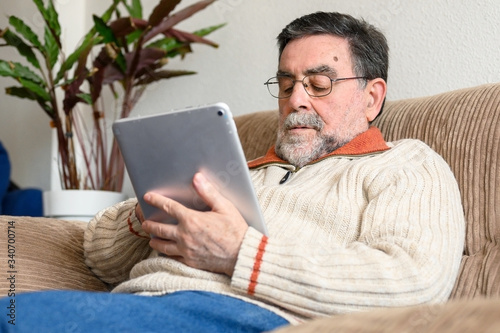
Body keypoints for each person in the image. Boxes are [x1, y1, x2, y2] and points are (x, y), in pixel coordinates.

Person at [1, 11, 465, 332]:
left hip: (246, 317)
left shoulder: (406, 164)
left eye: (319, 84)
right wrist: (146, 213)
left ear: (372, 97)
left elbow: (413, 285)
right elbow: (97, 256)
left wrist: (240, 254)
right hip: (134, 303)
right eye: (286, 85)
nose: (297, 101)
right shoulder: (235, 166)